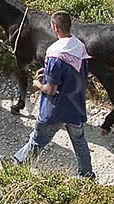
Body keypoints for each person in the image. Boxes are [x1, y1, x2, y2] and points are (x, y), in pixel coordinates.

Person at [11, 11, 95, 180]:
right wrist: (48, 72)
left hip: (55, 110)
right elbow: (73, 74)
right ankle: (87, 175)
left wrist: (37, 85)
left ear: (55, 27)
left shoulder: (54, 52)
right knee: (79, 143)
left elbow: (50, 89)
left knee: (38, 141)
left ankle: (17, 165)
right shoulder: (79, 47)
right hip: (76, 107)